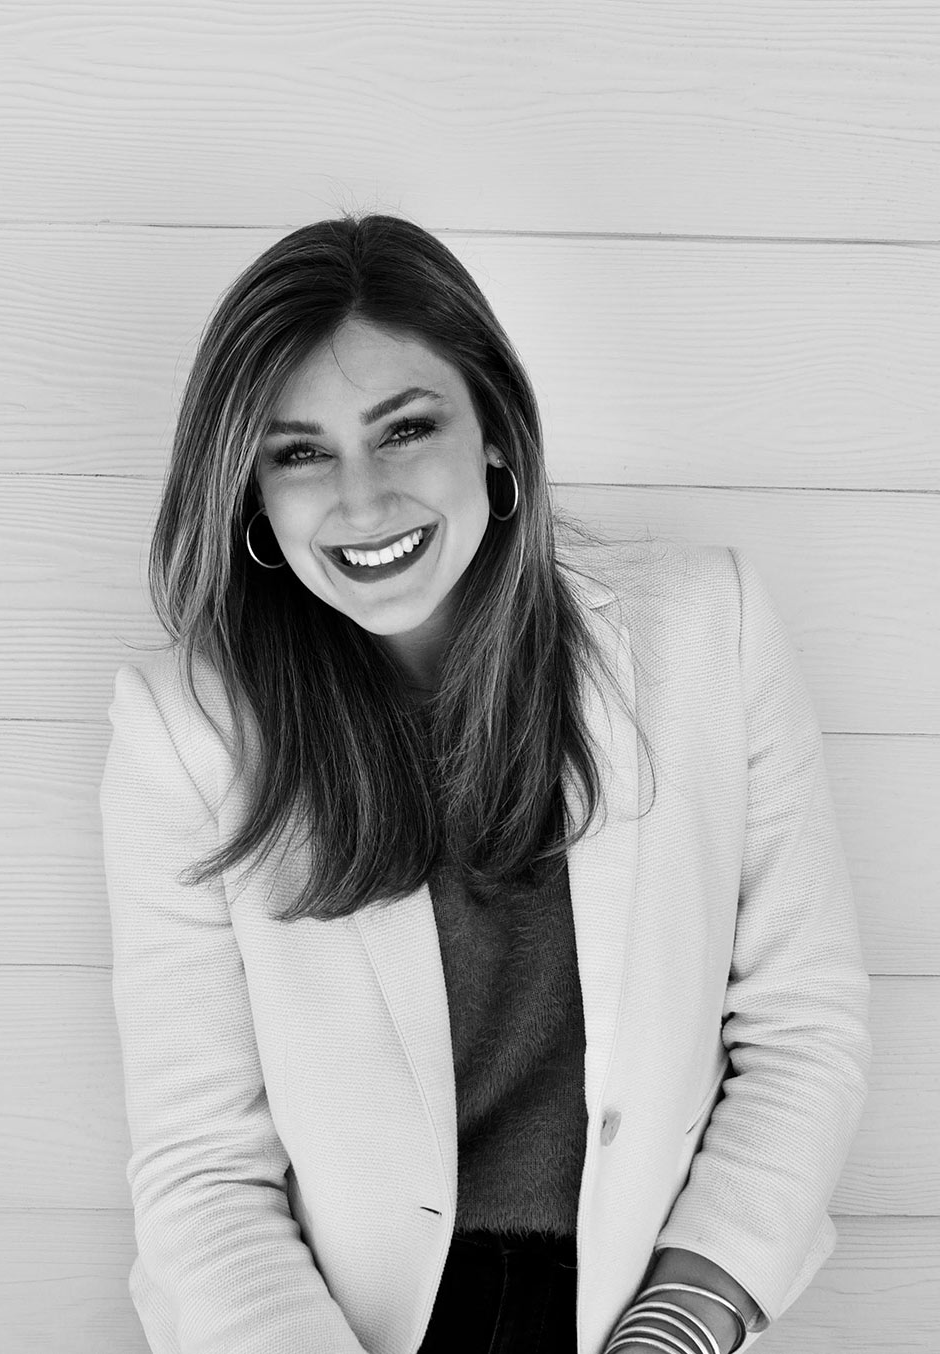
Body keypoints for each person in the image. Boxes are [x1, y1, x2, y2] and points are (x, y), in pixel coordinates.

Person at [99, 213, 872, 1354]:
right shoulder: (187, 734)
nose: (360, 501)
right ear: (251, 492)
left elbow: (802, 1031)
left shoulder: (712, 629)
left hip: (649, 1306)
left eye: (404, 429)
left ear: (497, 435)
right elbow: (203, 1169)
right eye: (298, 450)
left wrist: (684, 1316)